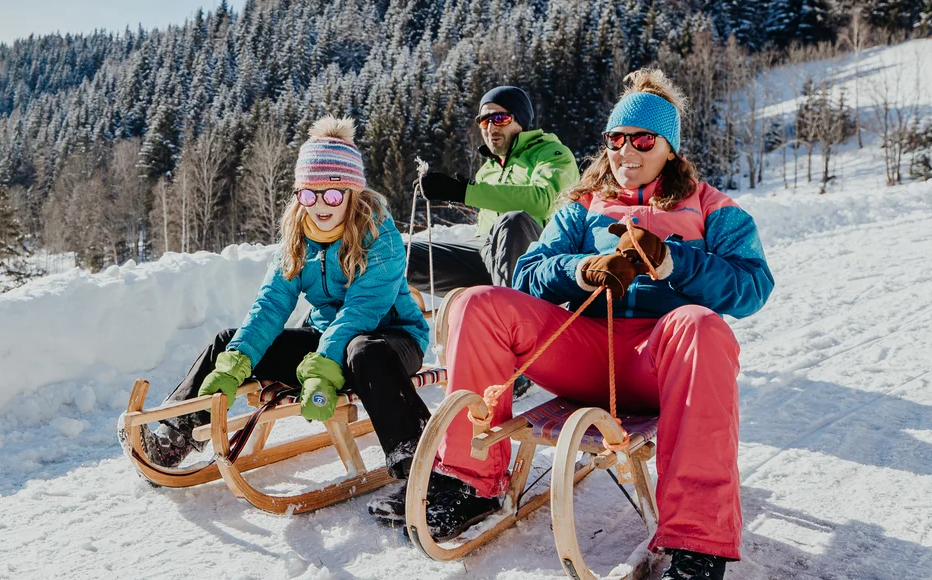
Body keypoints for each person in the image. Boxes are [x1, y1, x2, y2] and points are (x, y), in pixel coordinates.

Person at [419, 70, 772, 580]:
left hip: (658, 358)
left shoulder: (712, 206)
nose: (626, 150)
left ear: (669, 148)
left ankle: (698, 540)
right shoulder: (584, 204)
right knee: (478, 302)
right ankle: (471, 482)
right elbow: (527, 274)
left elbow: (752, 286)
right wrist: (582, 269)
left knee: (701, 326)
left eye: (643, 140)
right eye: (615, 139)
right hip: (583, 351)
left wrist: (673, 262)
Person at [141, 117, 434, 513]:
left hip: (389, 339)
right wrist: (237, 362)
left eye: (332, 195)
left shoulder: (378, 234)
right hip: (329, 342)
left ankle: (421, 470)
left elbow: (361, 310)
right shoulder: (296, 238)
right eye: (309, 195)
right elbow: (271, 306)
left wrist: (323, 367)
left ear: (352, 192)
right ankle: (176, 434)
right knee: (229, 342)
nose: (320, 206)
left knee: (363, 351)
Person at [408, 86, 579, 294]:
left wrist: (464, 192)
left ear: (520, 120)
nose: (490, 128)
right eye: (484, 120)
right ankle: (388, 322)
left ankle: (514, 318)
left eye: (499, 119)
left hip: (539, 258)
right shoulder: (486, 171)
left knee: (514, 221)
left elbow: (544, 201)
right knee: (401, 255)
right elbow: (484, 234)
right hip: (486, 257)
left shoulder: (552, 154)